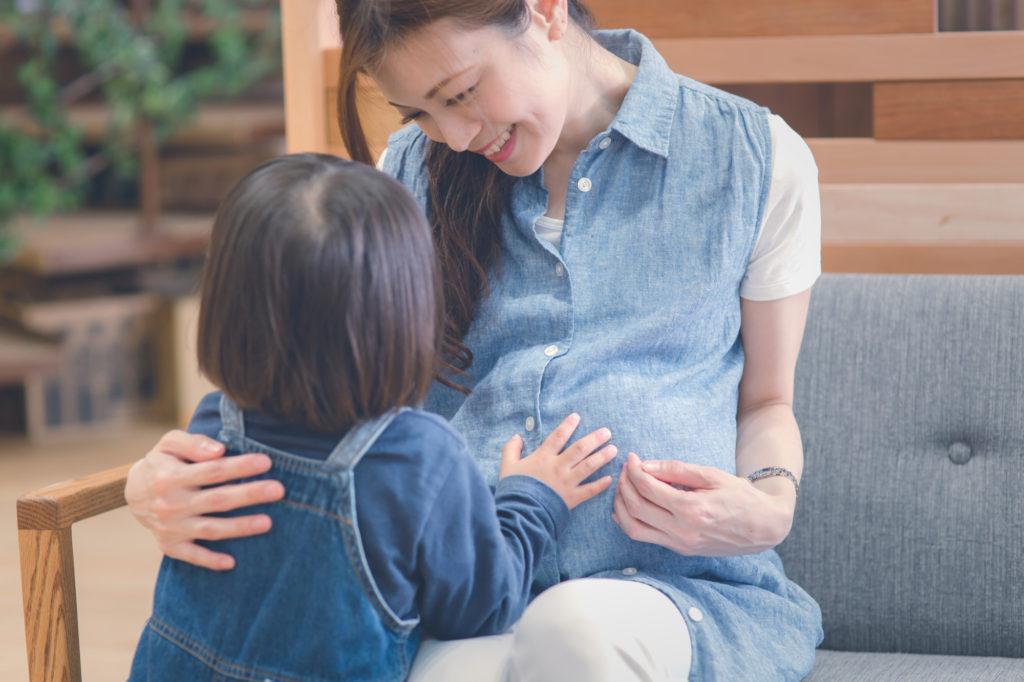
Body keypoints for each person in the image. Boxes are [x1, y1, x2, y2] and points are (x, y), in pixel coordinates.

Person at [125, 0, 826, 678]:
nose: (454, 137)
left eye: (459, 93)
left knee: (575, 633)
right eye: (420, 113)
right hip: (465, 604)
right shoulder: (402, 179)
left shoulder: (753, 158)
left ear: (545, 10)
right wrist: (154, 477)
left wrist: (769, 507)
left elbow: (767, 403)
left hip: (673, 594)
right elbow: (311, 383)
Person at [126, 154, 618, 681]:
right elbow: (482, 608)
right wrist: (530, 498)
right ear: (402, 308)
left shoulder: (209, 427)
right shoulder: (418, 457)